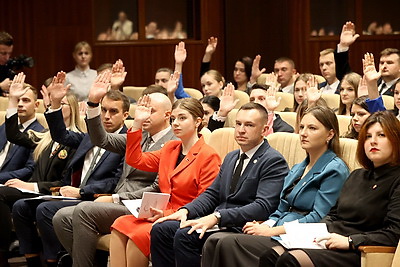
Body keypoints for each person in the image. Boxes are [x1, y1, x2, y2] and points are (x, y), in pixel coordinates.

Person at [201, 105, 350, 267]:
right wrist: (264, 225)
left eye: (312, 128)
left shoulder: (334, 169)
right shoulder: (299, 167)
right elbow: (280, 209)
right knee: (214, 241)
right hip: (280, 231)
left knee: (228, 243)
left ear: (330, 134)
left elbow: (318, 218)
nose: (304, 133)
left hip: (304, 238)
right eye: (301, 127)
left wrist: (271, 231)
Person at [150, 102, 290, 267]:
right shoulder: (231, 157)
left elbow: (263, 206)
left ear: (264, 130)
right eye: (238, 124)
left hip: (242, 225)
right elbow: (212, 194)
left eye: (249, 125)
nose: (241, 130)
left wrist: (217, 217)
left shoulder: (273, 160)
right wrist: (186, 211)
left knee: (185, 235)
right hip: (219, 221)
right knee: (161, 229)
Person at [11, 71, 127, 266]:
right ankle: (35, 262)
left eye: (113, 112)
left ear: (125, 115)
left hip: (93, 199)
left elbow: (114, 182)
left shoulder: (126, 142)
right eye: (104, 110)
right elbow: (61, 135)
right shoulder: (91, 135)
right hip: (69, 193)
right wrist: (55, 105)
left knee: (45, 209)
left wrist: (81, 191)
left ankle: (58, 260)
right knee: (21, 207)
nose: (106, 116)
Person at [256, 111, 400, 266]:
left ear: (396, 139)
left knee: (291, 260)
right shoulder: (357, 175)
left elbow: (394, 232)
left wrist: (350, 241)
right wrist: (313, 233)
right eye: (368, 136)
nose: (373, 141)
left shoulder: (397, 179)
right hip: (331, 239)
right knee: (270, 255)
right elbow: (332, 215)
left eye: (381, 135)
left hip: (361, 250)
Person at [52, 89, 177, 267]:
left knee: (84, 210)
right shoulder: (138, 136)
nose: (145, 115)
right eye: (142, 109)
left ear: (167, 115)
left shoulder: (175, 142)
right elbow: (100, 139)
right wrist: (94, 104)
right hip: (120, 201)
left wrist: (115, 198)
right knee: (61, 217)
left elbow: (158, 187)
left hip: (142, 205)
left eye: (151, 111)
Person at [109, 97, 221, 267]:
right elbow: (135, 160)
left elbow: (205, 202)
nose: (175, 123)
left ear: (198, 121)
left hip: (183, 216)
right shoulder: (171, 148)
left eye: (182, 118)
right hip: (160, 212)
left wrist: (167, 215)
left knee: (137, 235)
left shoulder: (208, 156)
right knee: (120, 224)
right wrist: (137, 123)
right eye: (173, 118)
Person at [0, 72, 81, 267]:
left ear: (74, 110)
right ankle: (31, 260)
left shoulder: (78, 141)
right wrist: (12, 100)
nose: (56, 109)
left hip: (51, 193)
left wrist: (32, 186)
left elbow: (64, 182)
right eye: (54, 105)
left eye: (61, 105)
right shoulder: (44, 137)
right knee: (10, 198)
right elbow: (13, 135)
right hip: (33, 191)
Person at [0, 77, 44, 183]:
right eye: (17, 100)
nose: (20, 104)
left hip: (10, 185)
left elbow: (29, 170)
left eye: (25, 100)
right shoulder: (4, 127)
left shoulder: (40, 133)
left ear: (36, 105)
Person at [0, 31, 14, 95]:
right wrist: (0, 87)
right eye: (3, 53)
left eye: (9, 53)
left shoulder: (7, 68)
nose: (7, 58)